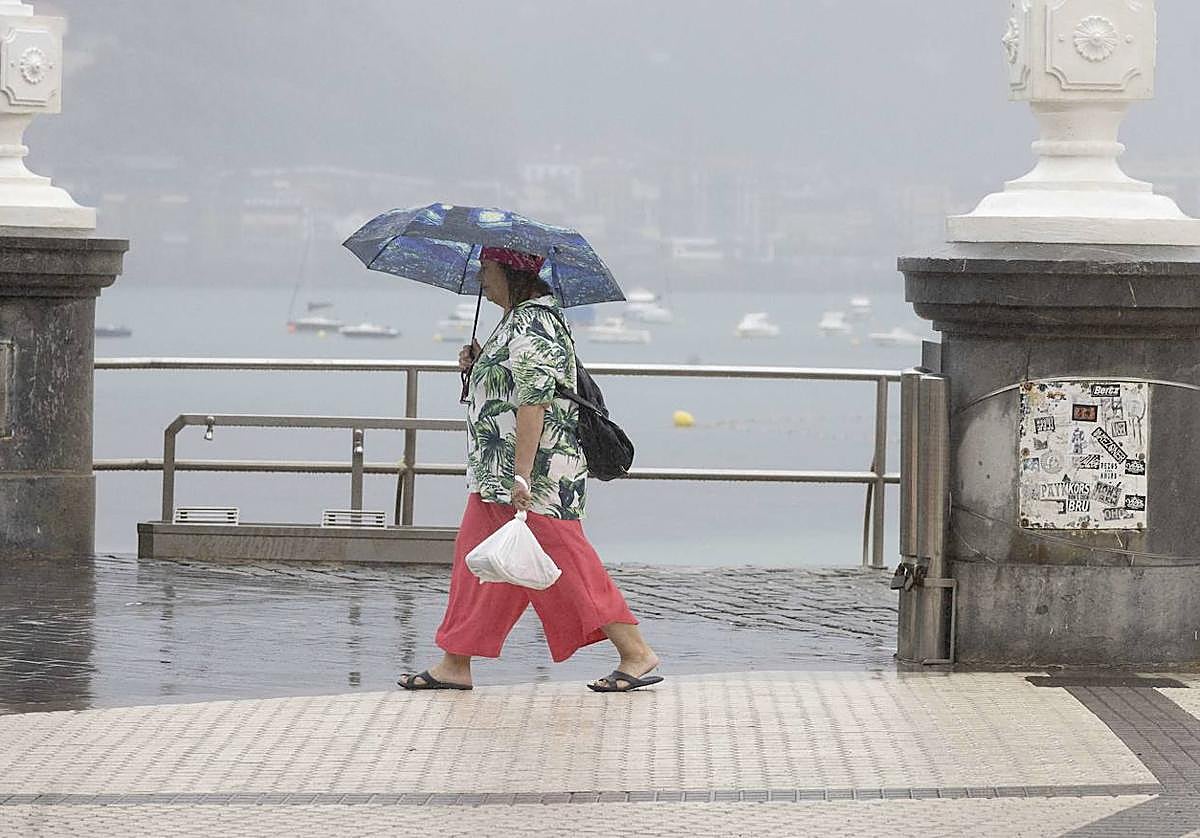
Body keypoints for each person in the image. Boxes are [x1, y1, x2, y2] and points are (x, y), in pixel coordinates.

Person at [398, 246, 662, 693]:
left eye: (487, 270)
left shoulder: (535, 321)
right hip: (495, 473)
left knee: (569, 563)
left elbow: (534, 402)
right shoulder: (517, 320)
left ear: (510, 272)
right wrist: (479, 363)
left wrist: (521, 476)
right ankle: (454, 663)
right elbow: (512, 383)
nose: (482, 279)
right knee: (478, 566)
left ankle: (636, 653)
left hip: (537, 477)